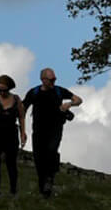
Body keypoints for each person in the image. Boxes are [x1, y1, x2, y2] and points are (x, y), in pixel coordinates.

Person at [22, 67, 81, 198]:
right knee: (38, 158)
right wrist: (22, 130)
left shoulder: (59, 91)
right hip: (38, 130)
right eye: (51, 79)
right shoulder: (34, 92)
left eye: (55, 79)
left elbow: (79, 100)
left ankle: (49, 180)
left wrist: (69, 104)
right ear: (43, 80)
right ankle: (42, 187)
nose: (54, 81)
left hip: (55, 129)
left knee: (51, 151)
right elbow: (22, 110)